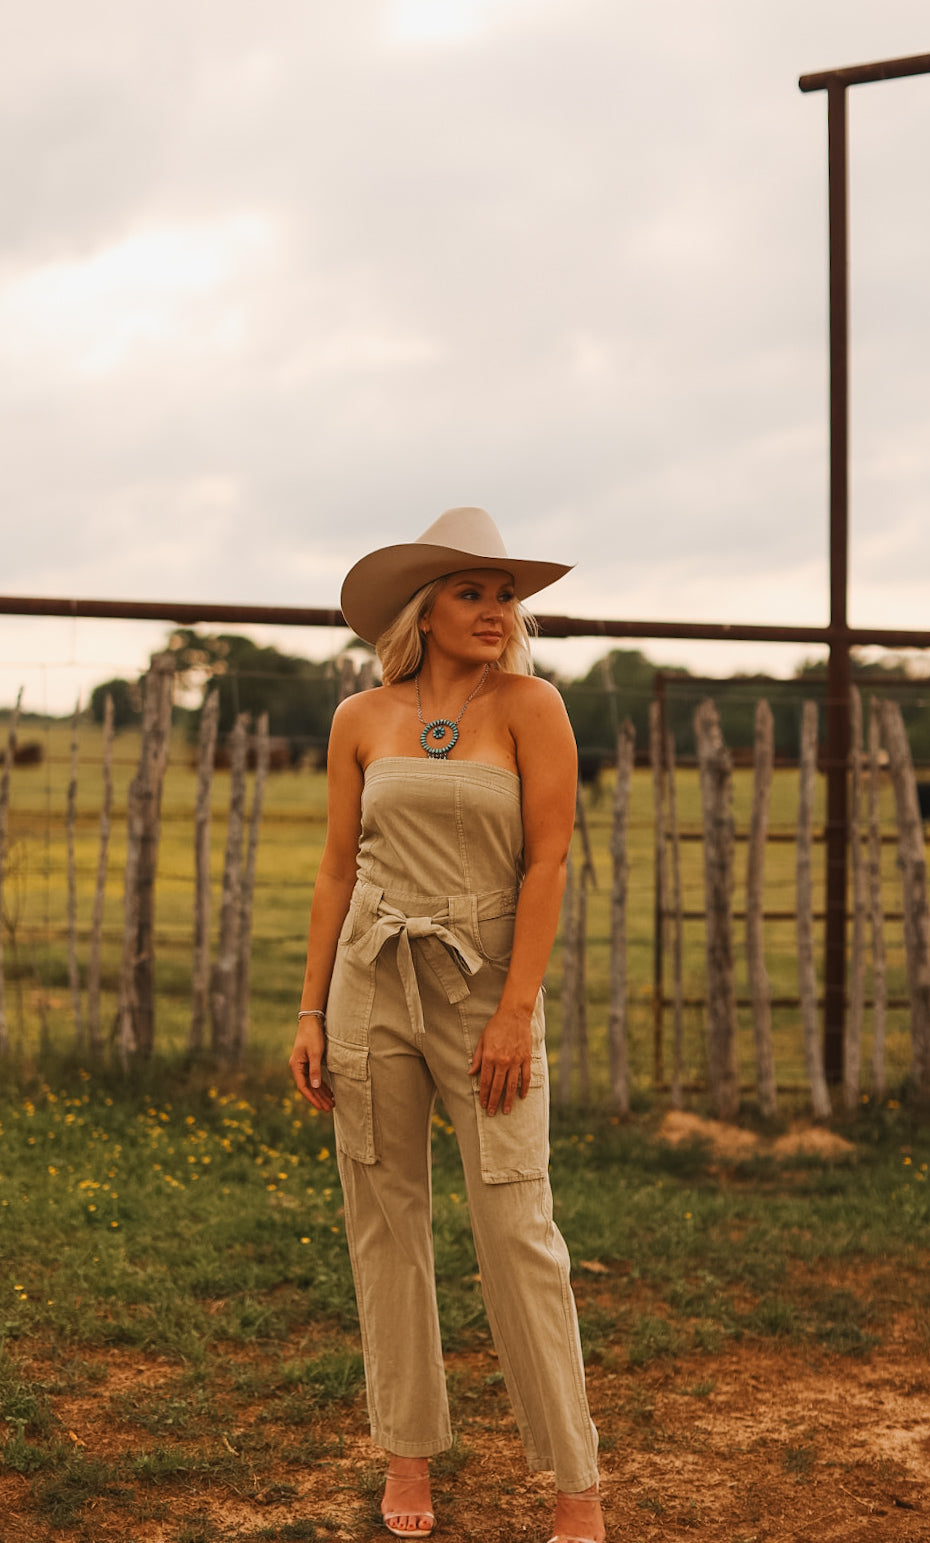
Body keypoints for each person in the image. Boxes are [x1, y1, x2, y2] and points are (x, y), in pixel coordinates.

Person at [289, 507, 604, 1543]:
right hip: (370, 980)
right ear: (422, 611)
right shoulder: (359, 718)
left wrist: (515, 1012)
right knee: (385, 1220)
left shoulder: (531, 707)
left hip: (483, 990)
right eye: (472, 592)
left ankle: (574, 1483)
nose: (496, 610)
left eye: (504, 594)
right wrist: (310, 1008)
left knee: (517, 1227)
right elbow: (337, 868)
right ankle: (406, 1453)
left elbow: (547, 862)